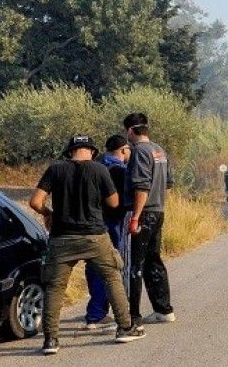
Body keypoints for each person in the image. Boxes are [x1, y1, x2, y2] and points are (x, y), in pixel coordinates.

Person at [29, 135, 145, 355]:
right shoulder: (100, 170)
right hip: (95, 236)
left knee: (55, 287)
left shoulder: (55, 169)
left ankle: (51, 340)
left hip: (62, 238)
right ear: (91, 151)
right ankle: (125, 328)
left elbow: (35, 202)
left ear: (70, 151)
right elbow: (114, 202)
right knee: (112, 277)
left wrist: (48, 213)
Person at [122, 113, 176, 325]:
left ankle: (133, 316)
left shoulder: (139, 151)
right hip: (158, 212)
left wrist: (135, 216)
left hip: (143, 214)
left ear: (129, 131)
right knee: (154, 261)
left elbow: (141, 186)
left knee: (135, 265)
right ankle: (164, 310)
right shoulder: (159, 150)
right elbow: (168, 184)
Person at [83, 134, 130, 330]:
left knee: (93, 267)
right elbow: (118, 202)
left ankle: (96, 309)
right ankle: (97, 314)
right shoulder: (117, 170)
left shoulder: (94, 165)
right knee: (109, 268)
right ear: (123, 150)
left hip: (89, 223)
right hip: (110, 224)